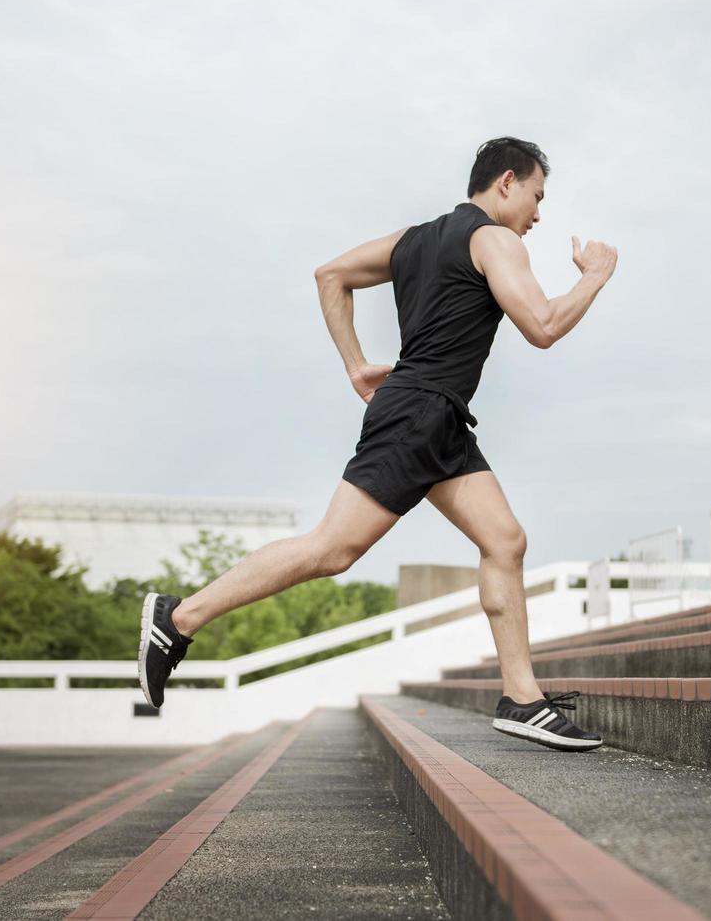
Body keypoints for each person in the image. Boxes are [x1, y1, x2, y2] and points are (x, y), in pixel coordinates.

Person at [137, 136, 618, 751]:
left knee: (505, 540)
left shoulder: (413, 239)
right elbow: (544, 325)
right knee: (332, 550)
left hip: (436, 418)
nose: (538, 214)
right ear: (505, 182)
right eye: (536, 195)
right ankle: (177, 620)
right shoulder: (496, 240)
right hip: (419, 415)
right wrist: (596, 276)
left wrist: (356, 364)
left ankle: (522, 700)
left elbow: (330, 274)